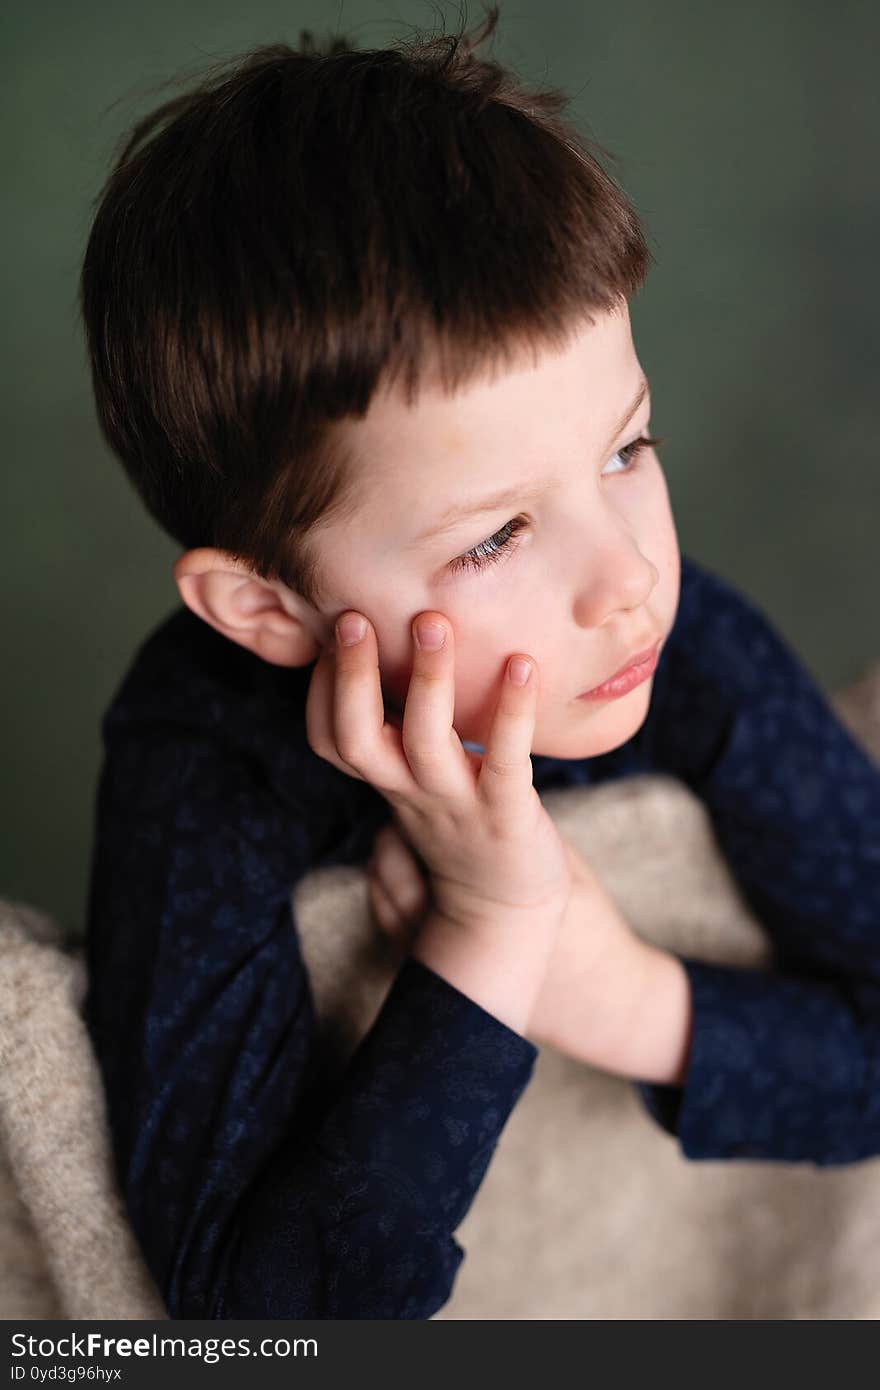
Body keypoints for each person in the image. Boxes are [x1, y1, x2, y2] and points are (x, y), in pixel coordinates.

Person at [80, 7, 880, 1320]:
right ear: (268, 608)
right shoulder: (203, 756)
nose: (628, 578)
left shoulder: (686, 654)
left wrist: (629, 1000)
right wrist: (495, 927)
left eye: (628, 449)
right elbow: (258, 1321)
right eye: (497, 533)